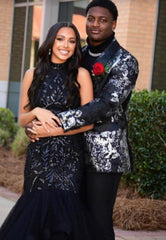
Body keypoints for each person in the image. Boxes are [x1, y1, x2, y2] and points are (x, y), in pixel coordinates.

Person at [26, 0, 139, 239]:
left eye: (103, 20)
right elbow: (52, 93)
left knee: (97, 223)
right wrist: (33, 123)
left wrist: (54, 124)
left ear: (114, 23)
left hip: (103, 156)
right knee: (71, 222)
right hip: (71, 153)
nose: (95, 24)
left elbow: (105, 105)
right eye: (90, 18)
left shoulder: (125, 61)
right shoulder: (77, 54)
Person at [0, 22, 99, 240]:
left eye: (72, 41)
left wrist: (52, 132)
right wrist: (37, 111)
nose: (66, 45)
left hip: (69, 157)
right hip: (39, 158)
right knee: (35, 217)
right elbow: (22, 119)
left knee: (64, 219)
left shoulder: (80, 75)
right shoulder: (32, 74)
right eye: (60, 39)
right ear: (51, 42)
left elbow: (88, 122)